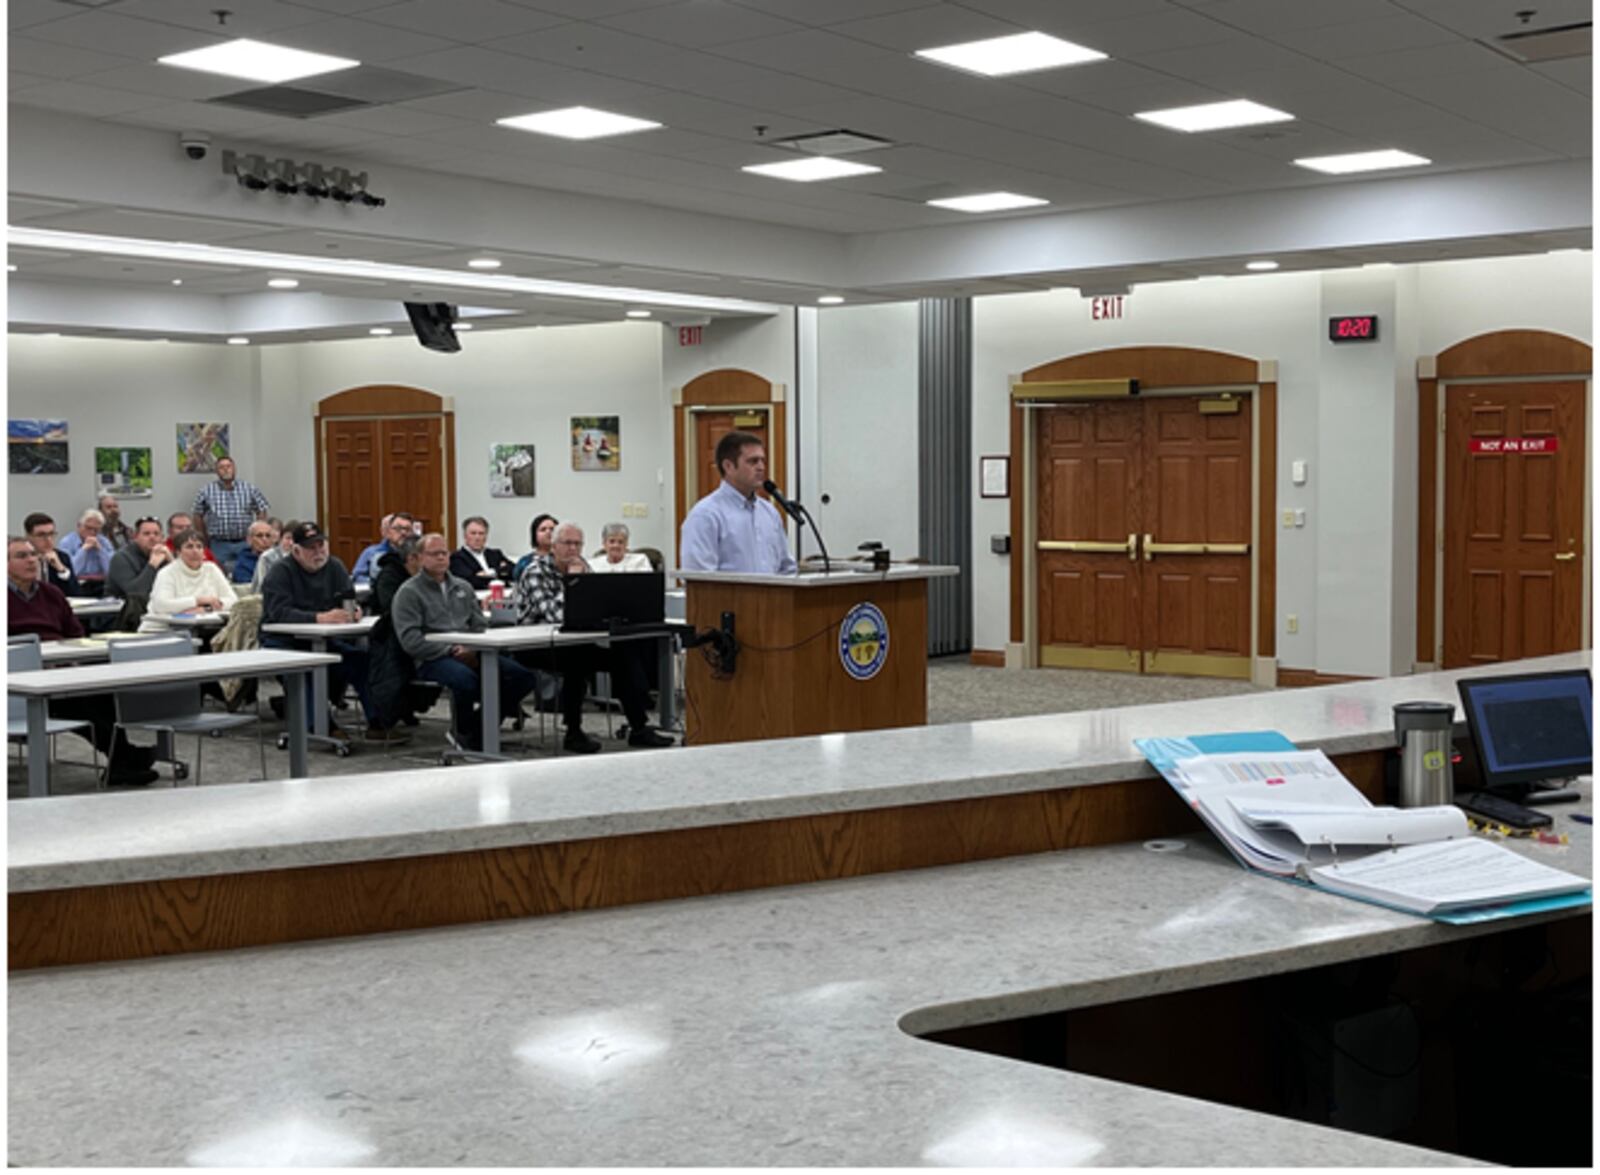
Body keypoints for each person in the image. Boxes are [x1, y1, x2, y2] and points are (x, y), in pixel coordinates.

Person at [6, 535, 158, 785]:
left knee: (102, 692)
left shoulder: (51, 593)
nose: (31, 561)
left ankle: (121, 760)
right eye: (21, 556)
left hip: (61, 667)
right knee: (75, 705)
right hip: (20, 678)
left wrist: (70, 658)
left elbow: (75, 632)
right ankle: (124, 757)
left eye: (33, 555)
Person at [514, 521, 673, 754]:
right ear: (554, 546)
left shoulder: (584, 566)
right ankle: (573, 731)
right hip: (535, 645)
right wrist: (573, 584)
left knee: (624, 654)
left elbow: (596, 607)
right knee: (577, 661)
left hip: (574, 640)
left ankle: (639, 726)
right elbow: (557, 615)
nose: (573, 549)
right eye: (567, 543)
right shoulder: (535, 572)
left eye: (578, 544)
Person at [393, 533, 541, 752]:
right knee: (465, 680)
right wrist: (451, 650)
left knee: (522, 677)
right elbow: (411, 641)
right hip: (432, 657)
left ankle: (477, 729)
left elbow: (480, 625)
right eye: (435, 554)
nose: (442, 558)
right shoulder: (408, 592)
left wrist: (471, 648)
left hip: (472, 651)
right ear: (420, 558)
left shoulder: (463, 587)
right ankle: (464, 731)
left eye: (445, 553)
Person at [260, 522, 375, 743]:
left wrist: (354, 611)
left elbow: (347, 597)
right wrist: (318, 618)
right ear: (296, 551)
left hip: (325, 641)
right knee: (306, 671)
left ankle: (378, 721)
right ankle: (322, 727)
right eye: (311, 547)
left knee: (362, 662)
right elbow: (277, 613)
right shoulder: (280, 572)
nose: (318, 552)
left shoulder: (335, 567)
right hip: (284, 644)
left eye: (321, 545)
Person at [679, 431, 797, 575]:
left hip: (771, 597)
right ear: (728, 466)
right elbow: (698, 578)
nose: (761, 467)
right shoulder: (706, 515)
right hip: (728, 598)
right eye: (753, 461)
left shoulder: (769, 512)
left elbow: (786, 568)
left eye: (762, 461)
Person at [141, 529, 237, 632]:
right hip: (162, 630)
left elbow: (233, 601)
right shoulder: (167, 572)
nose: (195, 551)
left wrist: (205, 609)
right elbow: (161, 605)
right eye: (189, 546)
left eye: (199, 546)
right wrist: (198, 601)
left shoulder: (212, 569)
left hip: (204, 627)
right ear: (178, 552)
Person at [191, 456, 270, 572]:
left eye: (229, 466)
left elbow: (262, 509)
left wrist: (257, 534)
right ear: (217, 471)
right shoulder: (206, 491)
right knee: (218, 573)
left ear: (234, 468)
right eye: (221, 467)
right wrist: (204, 538)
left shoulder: (249, 489)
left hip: (244, 542)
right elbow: (197, 514)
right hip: (219, 544)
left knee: (248, 572)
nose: (226, 470)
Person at [106, 516, 172, 603]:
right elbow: (135, 593)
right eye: (146, 534)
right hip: (122, 611)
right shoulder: (121, 557)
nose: (152, 537)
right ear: (135, 537)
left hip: (158, 607)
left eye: (156, 534)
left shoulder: (164, 555)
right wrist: (152, 565)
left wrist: (171, 561)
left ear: (162, 538)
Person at [22, 512, 79, 596]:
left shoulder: (62, 557)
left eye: (51, 534)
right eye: (41, 535)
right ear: (28, 536)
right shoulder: (18, 559)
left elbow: (75, 594)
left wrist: (61, 569)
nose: (48, 540)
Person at [450, 516, 515, 585]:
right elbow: (471, 581)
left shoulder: (495, 554)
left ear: (486, 536)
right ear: (465, 536)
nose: (477, 538)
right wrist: (500, 574)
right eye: (473, 533)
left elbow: (514, 571)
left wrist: (492, 572)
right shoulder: (457, 558)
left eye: (481, 533)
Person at [352, 512, 415, 582]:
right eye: (398, 528)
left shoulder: (417, 553)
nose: (403, 532)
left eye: (407, 529)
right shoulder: (371, 552)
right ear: (388, 531)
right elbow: (357, 576)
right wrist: (376, 584)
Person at [56, 508, 114, 583]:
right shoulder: (66, 543)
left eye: (96, 530)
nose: (92, 532)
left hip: (101, 583)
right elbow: (71, 572)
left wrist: (100, 550)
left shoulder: (104, 542)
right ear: (79, 526)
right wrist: (84, 549)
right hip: (77, 582)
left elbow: (111, 571)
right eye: (88, 528)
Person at [371, 534, 422, 617]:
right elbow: (391, 608)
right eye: (430, 555)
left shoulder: (433, 575)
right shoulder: (389, 576)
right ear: (412, 558)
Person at [251, 518, 296, 594]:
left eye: (295, 540)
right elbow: (263, 586)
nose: (291, 543)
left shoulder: (303, 558)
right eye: (288, 538)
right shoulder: (266, 557)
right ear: (281, 539)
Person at [588, 522, 653, 573]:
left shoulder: (640, 561)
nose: (616, 545)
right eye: (612, 541)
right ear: (604, 544)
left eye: (620, 542)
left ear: (626, 544)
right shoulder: (593, 565)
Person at [511, 512, 558, 582]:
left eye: (552, 529)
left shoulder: (564, 560)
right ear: (534, 535)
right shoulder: (525, 562)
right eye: (543, 529)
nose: (548, 532)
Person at [231, 519, 279, 587]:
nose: (264, 540)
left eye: (268, 536)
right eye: (259, 536)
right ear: (249, 540)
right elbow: (249, 588)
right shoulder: (242, 565)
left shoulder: (279, 558)